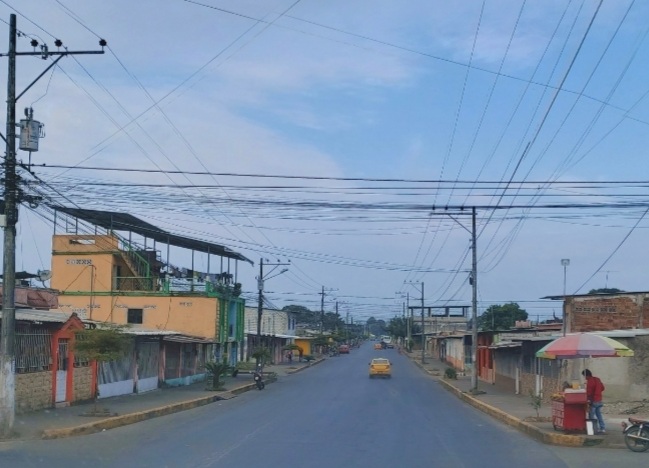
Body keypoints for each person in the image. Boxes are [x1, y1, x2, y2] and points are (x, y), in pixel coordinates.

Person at [582, 369, 606, 434]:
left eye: (584, 376)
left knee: (591, 415)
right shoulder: (597, 379)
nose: (585, 378)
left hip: (594, 400)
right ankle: (602, 428)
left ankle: (592, 429)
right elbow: (603, 388)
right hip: (599, 399)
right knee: (599, 414)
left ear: (586, 376)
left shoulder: (590, 382)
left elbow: (589, 393)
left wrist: (588, 399)